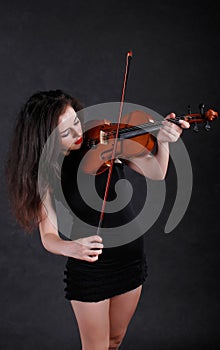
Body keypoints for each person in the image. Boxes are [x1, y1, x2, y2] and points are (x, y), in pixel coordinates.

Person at [5, 89, 189, 350]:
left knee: (115, 341)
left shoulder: (107, 143)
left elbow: (158, 172)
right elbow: (48, 236)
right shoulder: (47, 174)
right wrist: (72, 247)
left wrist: (164, 141)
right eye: (65, 133)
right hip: (92, 268)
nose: (79, 133)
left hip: (131, 259)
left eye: (76, 122)